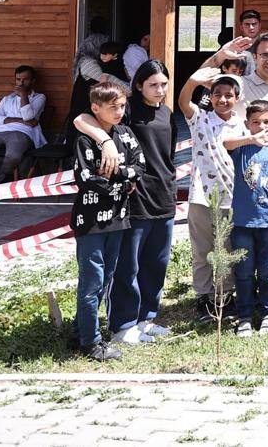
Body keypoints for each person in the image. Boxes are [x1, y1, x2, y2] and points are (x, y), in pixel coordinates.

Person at [72, 60, 174, 346]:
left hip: (163, 196)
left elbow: (157, 158)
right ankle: (123, 323)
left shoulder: (166, 113)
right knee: (128, 266)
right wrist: (104, 140)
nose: (159, 89)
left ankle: (146, 318)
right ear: (138, 85)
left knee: (157, 263)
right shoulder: (125, 111)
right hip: (134, 199)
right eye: (152, 84)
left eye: (164, 84)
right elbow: (81, 119)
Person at [70, 81, 142, 361]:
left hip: (119, 218)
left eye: (123, 106)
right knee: (91, 280)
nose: (120, 112)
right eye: (114, 108)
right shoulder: (85, 139)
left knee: (106, 279)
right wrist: (123, 181)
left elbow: (140, 166)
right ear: (95, 108)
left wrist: (118, 175)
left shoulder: (125, 133)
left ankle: (79, 331)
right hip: (90, 221)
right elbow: (87, 179)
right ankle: (91, 342)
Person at [179, 67, 243, 324]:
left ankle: (225, 296)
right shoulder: (200, 119)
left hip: (231, 195)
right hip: (202, 195)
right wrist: (193, 81)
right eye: (217, 94)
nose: (223, 99)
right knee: (203, 249)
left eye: (229, 94)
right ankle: (204, 296)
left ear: (237, 98)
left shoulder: (242, 124)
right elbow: (184, 100)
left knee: (227, 248)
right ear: (211, 97)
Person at [225, 100, 268, 335]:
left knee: (267, 270)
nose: (261, 126)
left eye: (266, 122)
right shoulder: (242, 147)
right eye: (256, 122)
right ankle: (244, 315)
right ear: (247, 124)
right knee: (243, 271)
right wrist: (249, 139)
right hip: (243, 222)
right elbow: (225, 142)